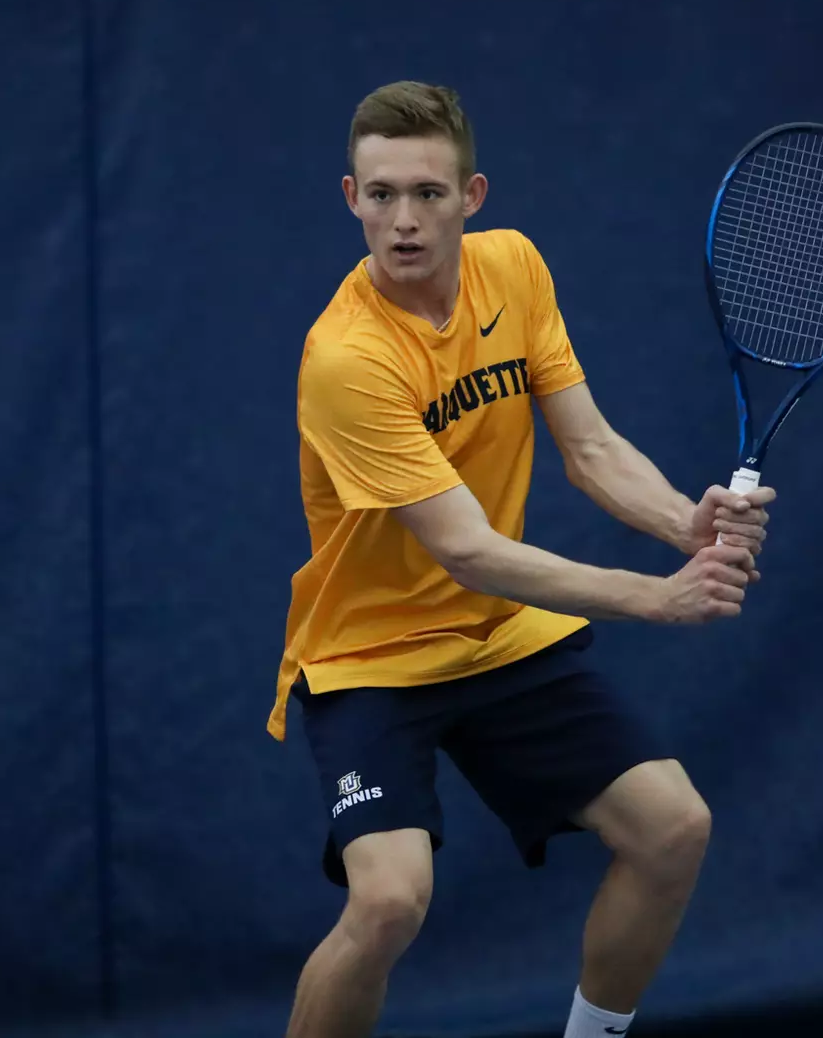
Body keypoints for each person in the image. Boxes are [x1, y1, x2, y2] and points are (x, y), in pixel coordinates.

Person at [268, 80, 777, 1038]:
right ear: (350, 199)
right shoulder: (346, 359)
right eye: (381, 196)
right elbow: (467, 550)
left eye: (428, 193)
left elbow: (588, 448)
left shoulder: (516, 271)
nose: (404, 220)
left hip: (499, 640)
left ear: (474, 196)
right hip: (370, 656)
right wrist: (658, 599)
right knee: (387, 904)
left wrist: (682, 524)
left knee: (673, 829)